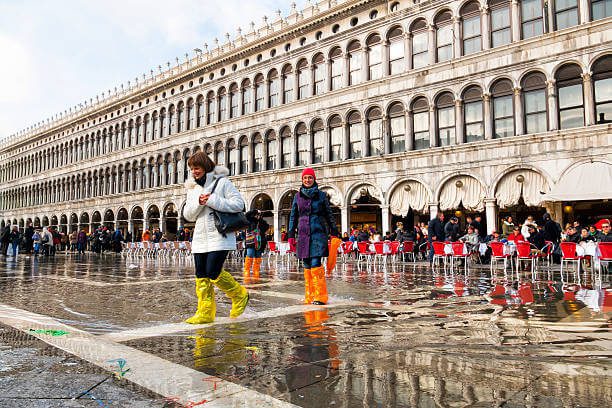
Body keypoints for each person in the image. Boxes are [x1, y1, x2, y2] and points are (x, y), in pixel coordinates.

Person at [183, 151, 249, 324]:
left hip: (219, 236)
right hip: (200, 238)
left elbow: (239, 204)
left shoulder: (222, 183)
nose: (194, 171)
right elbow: (188, 215)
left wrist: (212, 200)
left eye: (196, 168)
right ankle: (205, 312)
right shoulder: (193, 189)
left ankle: (240, 295)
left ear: (205, 166)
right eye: (191, 168)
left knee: (213, 272)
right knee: (201, 275)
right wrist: (199, 201)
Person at [287, 168, 339, 305]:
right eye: (305, 178)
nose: (307, 180)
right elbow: (293, 216)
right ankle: (309, 295)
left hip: (318, 233)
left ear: (314, 179)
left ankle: (320, 296)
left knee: (316, 263)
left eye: (310, 177)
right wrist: (291, 235)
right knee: (306, 265)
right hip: (303, 234)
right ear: (302, 180)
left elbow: (329, 215)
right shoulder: (297, 196)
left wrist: (334, 231)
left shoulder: (321, 195)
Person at [243, 209, 271, 283]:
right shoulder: (250, 220)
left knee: (258, 256)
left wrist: (260, 219)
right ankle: (247, 270)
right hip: (250, 242)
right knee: (250, 254)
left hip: (259, 242)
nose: (257, 216)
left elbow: (266, 227)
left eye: (259, 215)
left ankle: (256, 270)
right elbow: (246, 215)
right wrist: (255, 211)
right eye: (256, 215)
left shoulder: (262, 222)